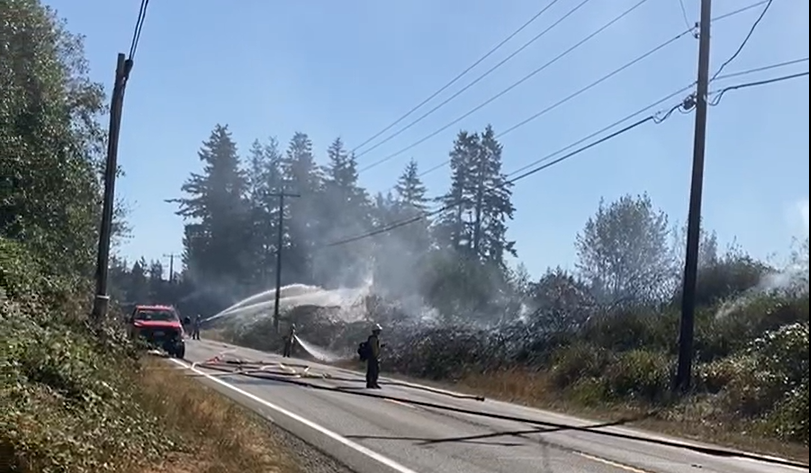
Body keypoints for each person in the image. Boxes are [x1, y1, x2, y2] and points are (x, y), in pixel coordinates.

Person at [365, 324, 383, 389]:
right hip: (373, 357)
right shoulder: (373, 339)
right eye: (378, 331)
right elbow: (374, 348)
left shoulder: (373, 338)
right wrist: (376, 356)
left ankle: (373, 383)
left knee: (374, 370)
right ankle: (371, 383)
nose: (379, 332)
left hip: (372, 357)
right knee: (373, 370)